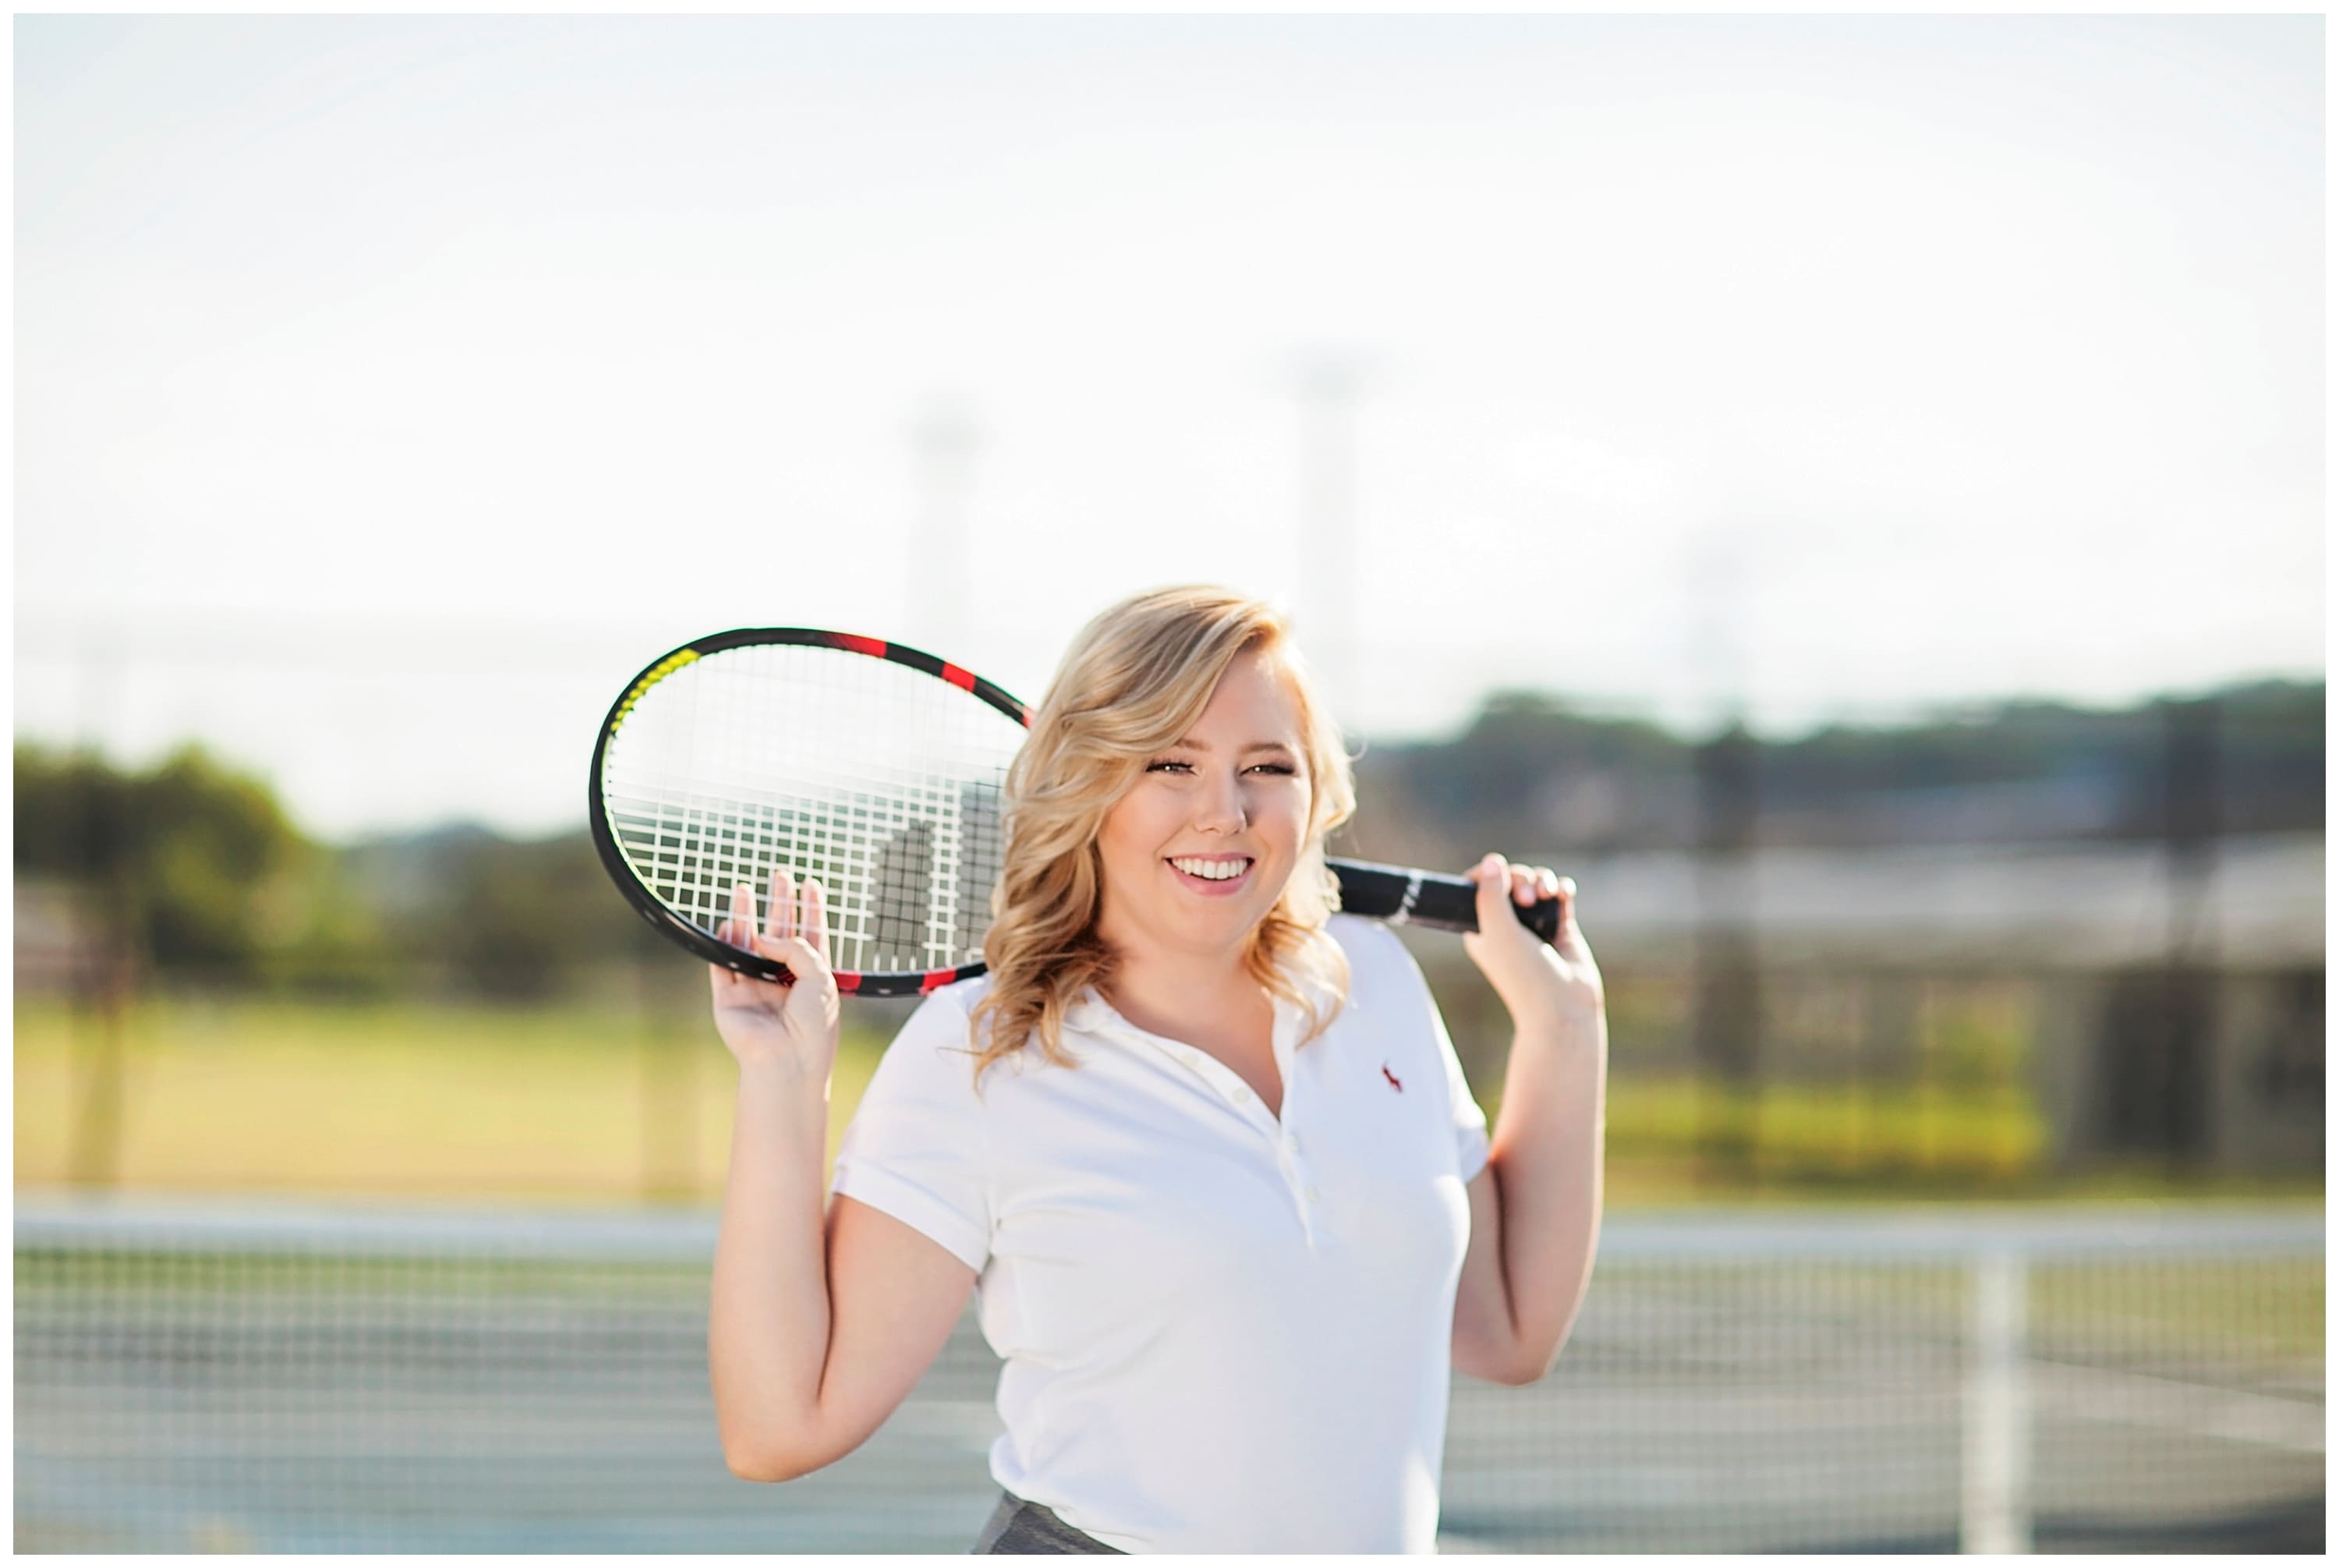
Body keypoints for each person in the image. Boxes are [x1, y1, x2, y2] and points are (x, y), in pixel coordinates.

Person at [704, 586, 1609, 1554]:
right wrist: (785, 1082)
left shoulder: (1375, 983)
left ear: (1315, 796)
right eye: (1169, 763)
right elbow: (779, 1429)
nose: (1223, 812)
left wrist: (1566, 1025)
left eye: (1267, 766)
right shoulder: (980, 1046)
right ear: (1091, 787)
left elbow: (1509, 1331)